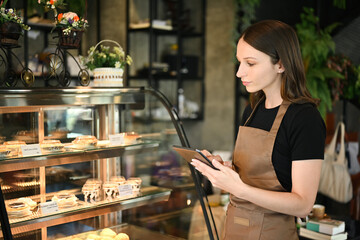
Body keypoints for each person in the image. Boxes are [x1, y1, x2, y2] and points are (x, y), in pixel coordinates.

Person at [190, 19, 326, 240]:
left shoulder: (304, 119)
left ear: (280, 64)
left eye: (250, 63)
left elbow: (303, 205)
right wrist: (223, 171)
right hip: (235, 229)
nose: (239, 72)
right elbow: (250, 178)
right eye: (239, 62)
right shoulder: (253, 110)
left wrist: (240, 189)